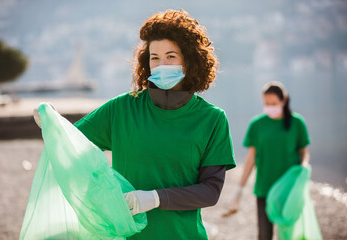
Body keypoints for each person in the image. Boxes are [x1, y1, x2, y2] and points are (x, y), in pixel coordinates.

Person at [35, 10, 236, 239]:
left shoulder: (212, 119)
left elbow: (210, 191)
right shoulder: (121, 109)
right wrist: (51, 122)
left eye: (171, 56)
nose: (161, 64)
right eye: (154, 57)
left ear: (190, 61)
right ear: (146, 61)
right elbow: (71, 143)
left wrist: (155, 198)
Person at [222, 81, 310, 240]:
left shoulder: (297, 123)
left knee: (291, 234)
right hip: (264, 188)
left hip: (289, 189)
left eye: (274, 103)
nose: (270, 107)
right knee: (264, 235)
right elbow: (250, 159)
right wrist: (240, 189)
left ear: (283, 101)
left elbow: (304, 152)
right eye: (266, 104)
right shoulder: (257, 124)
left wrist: (303, 169)